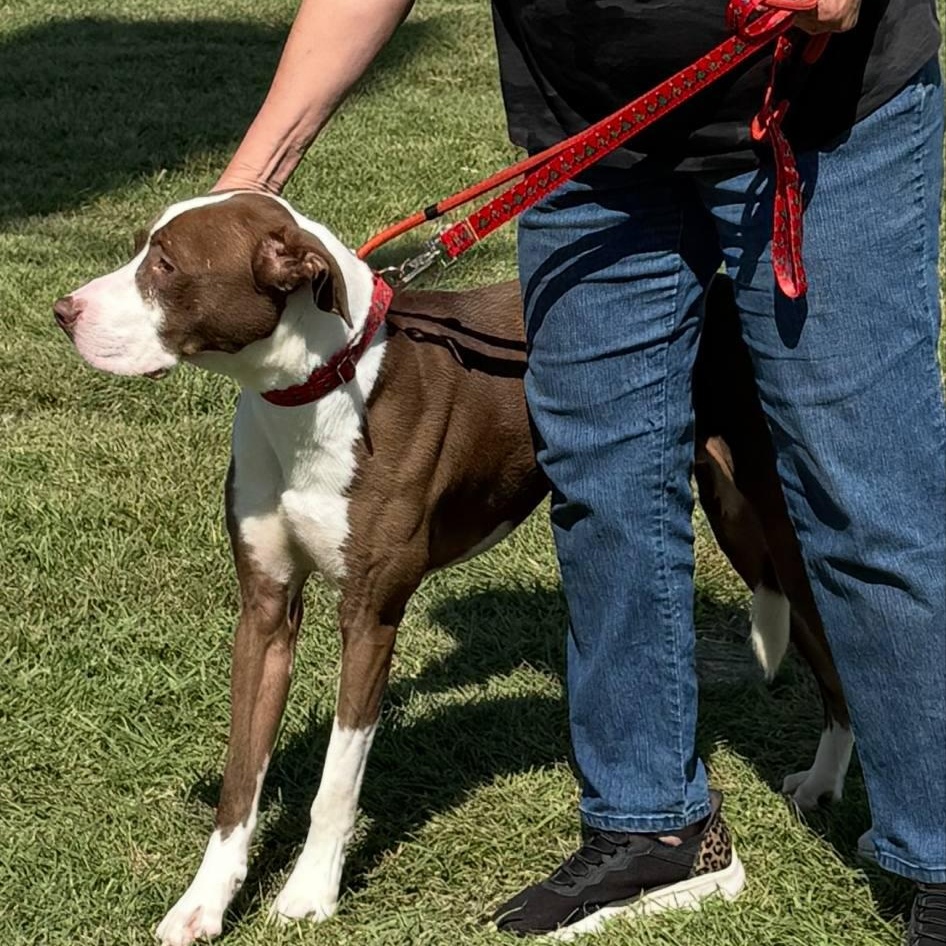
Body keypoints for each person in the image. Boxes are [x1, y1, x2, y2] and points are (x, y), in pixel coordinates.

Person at [213, 0, 946, 941]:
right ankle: (653, 826)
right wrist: (243, 192)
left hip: (811, 105)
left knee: (868, 499)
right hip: (593, 139)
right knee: (602, 477)